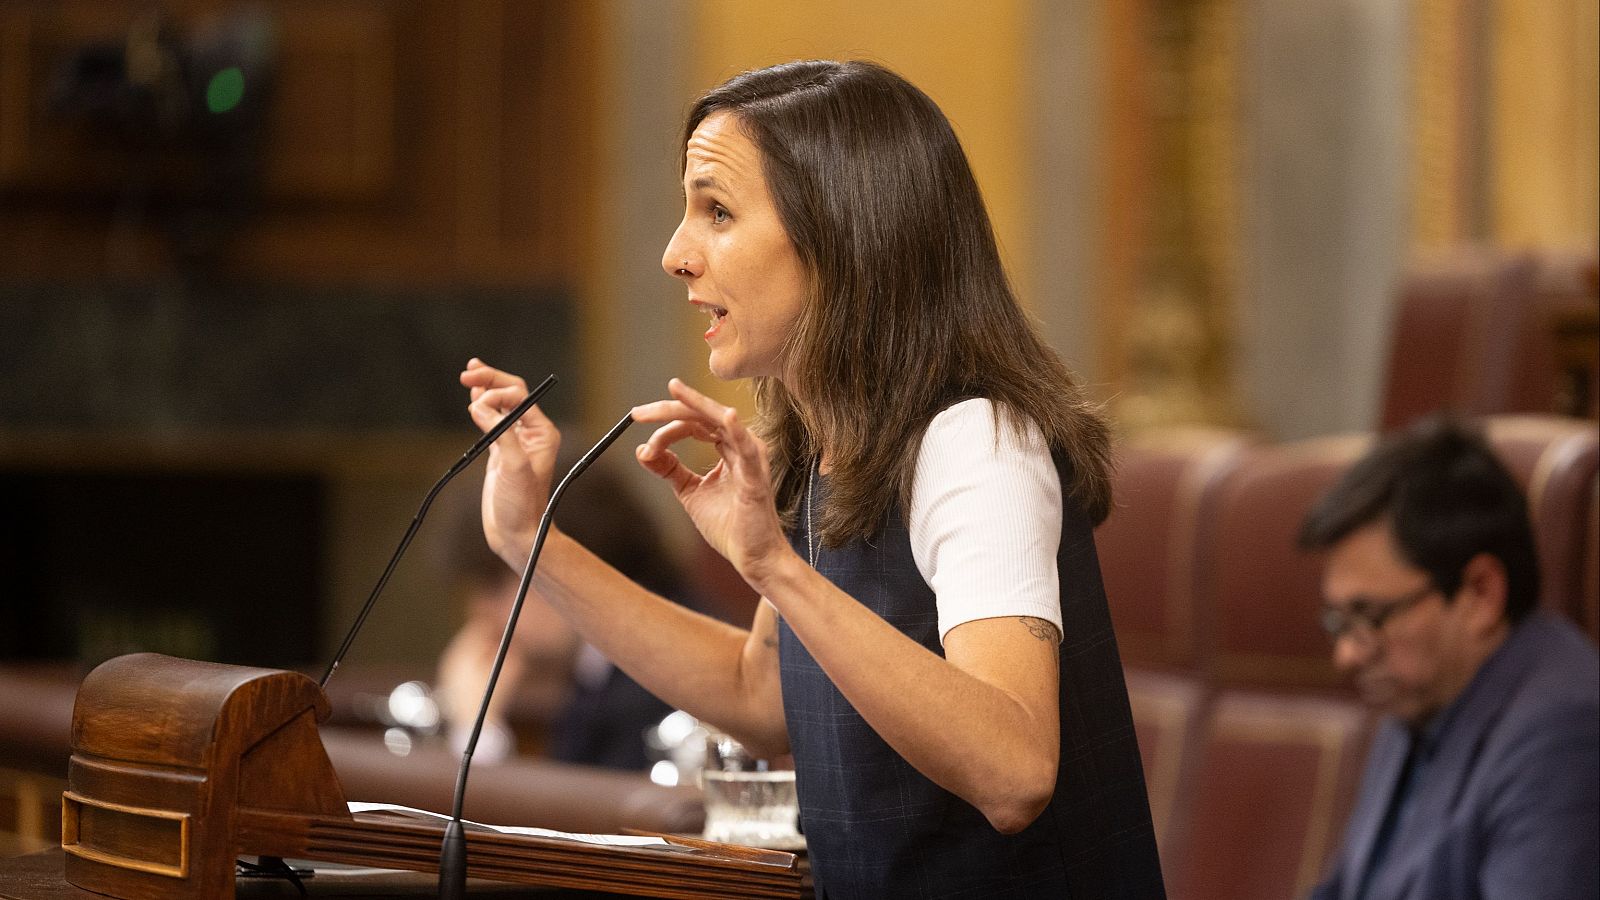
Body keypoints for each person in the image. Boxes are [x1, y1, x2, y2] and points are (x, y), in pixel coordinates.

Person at [461, 60, 1164, 898]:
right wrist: (525, 537)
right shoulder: (822, 443)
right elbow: (759, 693)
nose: (674, 255)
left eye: (717, 212)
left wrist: (776, 569)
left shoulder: (976, 441)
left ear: (843, 237)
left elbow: (1014, 770)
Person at [1300, 417, 1599, 900]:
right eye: (1339, 621)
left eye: (1369, 616)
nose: (1347, 655)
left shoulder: (1564, 734)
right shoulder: (1418, 696)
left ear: (1480, 593)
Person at [434, 456, 697, 770]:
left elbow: (578, 816)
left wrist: (477, 728)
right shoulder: (600, 670)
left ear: (566, 561)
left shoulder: (656, 681)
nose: (480, 614)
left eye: (494, 584)